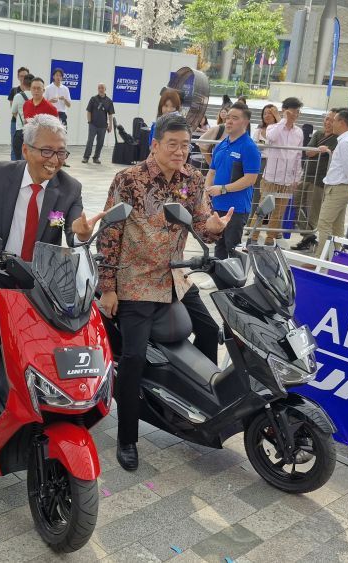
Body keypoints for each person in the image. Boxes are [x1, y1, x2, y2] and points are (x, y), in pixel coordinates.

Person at [0, 114, 103, 435]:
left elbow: (73, 231)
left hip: (40, 277)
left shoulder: (69, 188)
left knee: (77, 316)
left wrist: (81, 233)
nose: (55, 160)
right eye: (47, 151)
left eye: (61, 153)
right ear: (26, 149)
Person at [97, 114, 233, 471]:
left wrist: (215, 228)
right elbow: (110, 235)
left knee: (208, 329)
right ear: (155, 145)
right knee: (132, 357)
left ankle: (200, 407)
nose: (179, 151)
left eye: (185, 145)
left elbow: (202, 223)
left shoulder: (193, 178)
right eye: (172, 144)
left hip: (176, 276)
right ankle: (127, 437)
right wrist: (108, 289)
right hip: (136, 280)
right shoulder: (129, 180)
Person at [205, 102, 261, 259]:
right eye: (227, 117)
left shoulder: (249, 147)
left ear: (245, 122)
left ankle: (235, 282)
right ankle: (219, 279)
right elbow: (212, 171)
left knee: (232, 247)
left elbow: (250, 179)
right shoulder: (223, 143)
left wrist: (223, 189)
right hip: (218, 204)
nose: (229, 121)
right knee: (219, 245)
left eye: (234, 118)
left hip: (236, 208)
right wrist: (207, 190)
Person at [248, 97, 303, 246]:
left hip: (287, 178)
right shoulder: (273, 128)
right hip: (271, 176)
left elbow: (299, 155)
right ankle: (253, 236)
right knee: (262, 208)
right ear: (285, 111)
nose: (295, 115)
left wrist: (297, 177)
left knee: (279, 212)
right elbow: (271, 137)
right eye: (293, 112)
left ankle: (270, 238)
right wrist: (283, 120)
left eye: (297, 112)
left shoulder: (299, 132)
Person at [313, 108, 348, 254]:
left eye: (334, 120)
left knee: (324, 223)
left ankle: (320, 259)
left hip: (339, 188)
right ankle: (336, 256)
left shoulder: (346, 142)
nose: (332, 123)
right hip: (342, 187)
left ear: (341, 122)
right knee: (336, 227)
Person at [290, 109, 338, 252]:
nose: (327, 122)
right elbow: (308, 152)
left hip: (319, 180)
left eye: (331, 120)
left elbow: (332, 154)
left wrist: (323, 151)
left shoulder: (337, 138)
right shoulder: (318, 134)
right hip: (306, 175)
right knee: (296, 205)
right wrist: (320, 150)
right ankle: (309, 236)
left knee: (312, 211)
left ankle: (308, 241)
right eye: (326, 118)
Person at [82, 82, 115, 164]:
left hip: (103, 126)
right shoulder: (93, 99)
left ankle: (96, 158)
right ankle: (86, 157)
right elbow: (88, 111)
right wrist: (89, 121)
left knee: (100, 143)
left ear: (105, 89)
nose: (101, 89)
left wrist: (110, 125)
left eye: (102, 88)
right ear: (98, 89)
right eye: (99, 88)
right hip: (93, 124)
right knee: (90, 141)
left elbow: (110, 114)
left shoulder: (109, 101)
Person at [9, 74, 33, 160]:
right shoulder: (38, 97)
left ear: (23, 84)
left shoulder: (18, 96)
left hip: (20, 129)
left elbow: (13, 111)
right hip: (33, 131)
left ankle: (17, 171)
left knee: (18, 155)